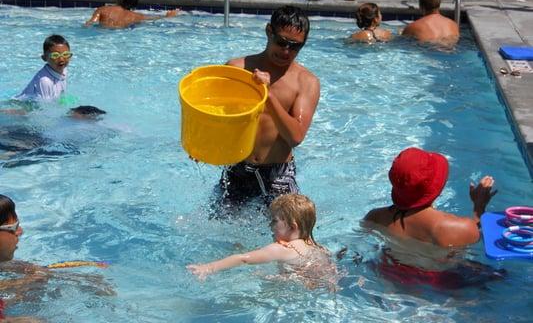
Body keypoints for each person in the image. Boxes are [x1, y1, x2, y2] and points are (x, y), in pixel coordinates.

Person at [218, 6, 320, 206]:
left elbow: (295, 137)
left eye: (295, 46)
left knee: (291, 235)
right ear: (268, 31)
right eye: (281, 42)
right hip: (237, 168)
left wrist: (268, 95)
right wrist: (202, 147)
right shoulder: (236, 69)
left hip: (278, 174)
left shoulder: (306, 82)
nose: (286, 51)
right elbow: (219, 119)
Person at [188, 194, 338, 290]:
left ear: (292, 227)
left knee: (256, 275)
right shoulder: (317, 247)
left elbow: (243, 259)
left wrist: (209, 267)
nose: (270, 226)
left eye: (274, 221)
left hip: (292, 292)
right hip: (319, 287)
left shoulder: (282, 249)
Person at [363, 147, 497, 247]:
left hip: (386, 273)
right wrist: (479, 207)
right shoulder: (459, 228)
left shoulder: (374, 217)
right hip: (436, 280)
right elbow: (478, 237)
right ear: (436, 186)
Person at [85, 0, 179, 28]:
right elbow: (152, 18)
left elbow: (89, 24)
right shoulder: (136, 16)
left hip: (103, 35)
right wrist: (167, 16)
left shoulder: (102, 10)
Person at [15, 35, 72, 102]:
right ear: (44, 58)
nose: (61, 59)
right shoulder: (45, 81)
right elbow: (46, 109)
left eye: (65, 54)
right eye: (55, 55)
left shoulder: (64, 70)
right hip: (22, 107)